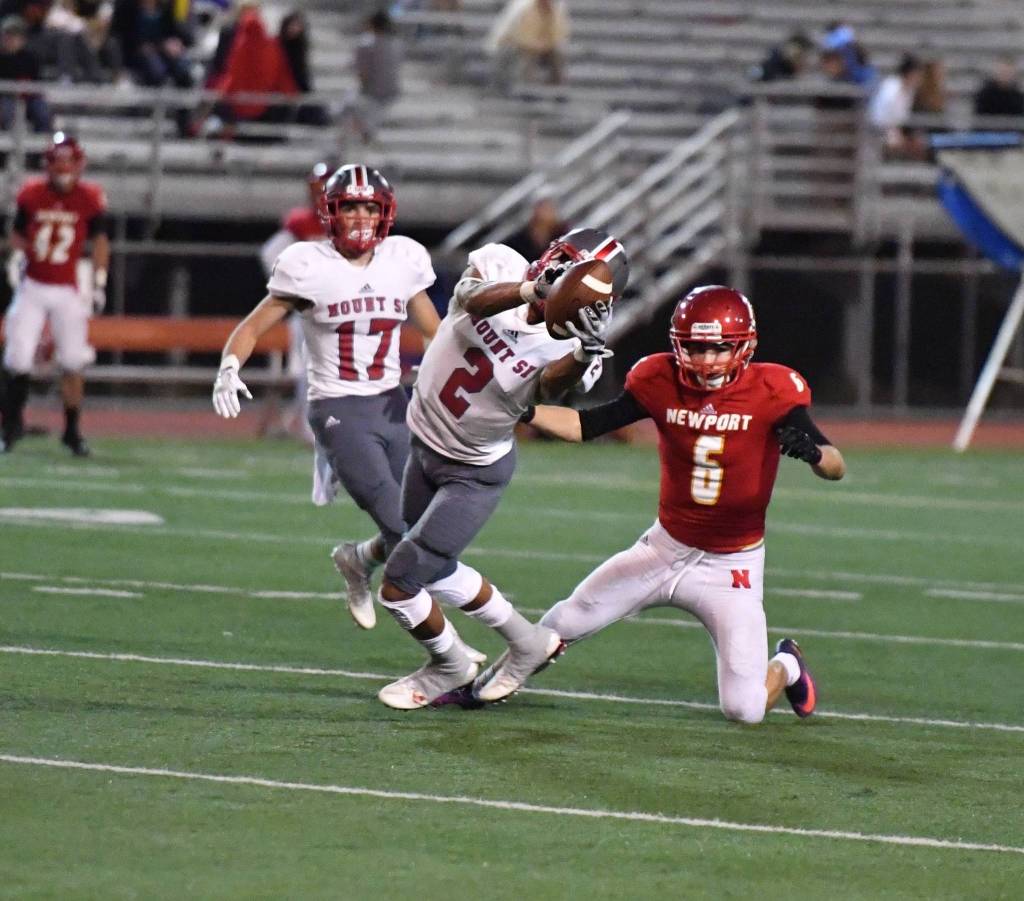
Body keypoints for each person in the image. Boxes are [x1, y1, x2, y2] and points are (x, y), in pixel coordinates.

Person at [438, 285, 846, 721]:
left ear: (744, 347)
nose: (706, 361)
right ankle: (480, 689)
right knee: (562, 623)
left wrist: (815, 453)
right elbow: (587, 424)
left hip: (732, 568)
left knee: (745, 710)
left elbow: (836, 465)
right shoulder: (658, 377)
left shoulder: (774, 388)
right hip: (661, 550)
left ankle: (786, 664)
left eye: (718, 349)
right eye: (695, 349)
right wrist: (522, 411)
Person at [373, 227, 629, 710]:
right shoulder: (501, 265)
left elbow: (546, 392)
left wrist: (578, 353)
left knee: (400, 582)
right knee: (429, 562)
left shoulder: (572, 347)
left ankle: (449, 665)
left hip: (473, 470)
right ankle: (530, 642)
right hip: (425, 442)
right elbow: (468, 298)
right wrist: (531, 291)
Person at [212, 164, 449, 634]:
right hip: (338, 406)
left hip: (393, 402)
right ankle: (451, 654)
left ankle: (357, 561)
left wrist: (443, 368)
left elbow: (434, 330)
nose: (360, 216)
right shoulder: (307, 264)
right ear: (329, 211)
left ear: (385, 213)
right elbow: (252, 327)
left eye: (369, 206)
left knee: (423, 522)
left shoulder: (402, 259)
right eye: (351, 206)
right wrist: (229, 366)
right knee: (406, 530)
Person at [1, 132, 110, 457]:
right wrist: (16, 254)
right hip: (33, 285)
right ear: (48, 164)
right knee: (17, 358)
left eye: (68, 161)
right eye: (57, 161)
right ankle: (10, 426)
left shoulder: (90, 197)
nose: (63, 168)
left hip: (67, 287)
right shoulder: (32, 194)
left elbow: (101, 241)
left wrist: (100, 279)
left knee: (74, 362)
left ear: (79, 164)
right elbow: (18, 235)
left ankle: (72, 431)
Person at [257, 160, 332, 441]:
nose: (319, 193)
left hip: (344, 310)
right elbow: (271, 255)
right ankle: (310, 427)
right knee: (307, 369)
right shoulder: (301, 223)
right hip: (310, 310)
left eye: (324, 187)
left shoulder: (350, 222)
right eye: (315, 187)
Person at [485, 0, 569, 94]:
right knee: (528, 54)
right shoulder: (523, 7)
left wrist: (545, 44)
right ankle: (527, 86)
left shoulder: (557, 9)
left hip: (543, 44)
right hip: (514, 43)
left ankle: (557, 86)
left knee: (558, 53)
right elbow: (522, 37)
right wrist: (538, 45)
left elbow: (559, 35)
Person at [0, 14, 52, 132]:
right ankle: (6, 147)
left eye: (15, 36)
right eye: (8, 36)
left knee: (42, 110)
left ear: (23, 39)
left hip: (29, 97)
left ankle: (41, 147)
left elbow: (36, 83)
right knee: (7, 110)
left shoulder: (30, 58)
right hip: (6, 98)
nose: (11, 40)